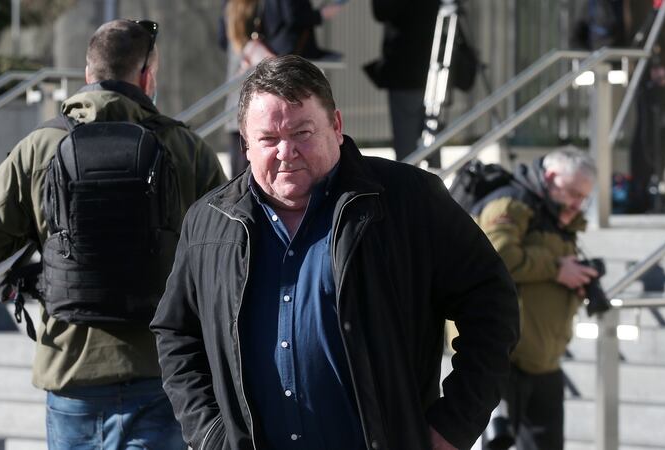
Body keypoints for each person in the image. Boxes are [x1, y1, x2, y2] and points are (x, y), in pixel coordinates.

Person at [150, 55, 519, 450]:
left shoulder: (406, 201)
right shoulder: (209, 223)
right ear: (245, 144)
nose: (285, 151)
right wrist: (210, 434)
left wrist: (453, 425)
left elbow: (491, 302)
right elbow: (177, 334)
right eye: (268, 139)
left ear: (337, 127)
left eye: (302, 133)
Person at [0, 19, 227, 450]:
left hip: (72, 375)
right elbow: (226, 258)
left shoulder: (42, 148)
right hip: (163, 373)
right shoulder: (186, 148)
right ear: (147, 76)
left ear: (87, 75)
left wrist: (38, 233)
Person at [472, 148, 599, 450]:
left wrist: (575, 282)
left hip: (544, 359)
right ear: (551, 177)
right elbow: (496, 257)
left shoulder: (557, 215)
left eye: (584, 198)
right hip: (504, 359)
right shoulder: (511, 203)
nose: (578, 204)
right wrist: (556, 268)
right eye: (573, 193)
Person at [219, 0, 344, 177]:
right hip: (274, 73)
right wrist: (321, 14)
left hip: (240, 74)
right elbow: (293, 16)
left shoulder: (231, 7)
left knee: (244, 167)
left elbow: (222, 39)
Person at [625, 0, 665, 213]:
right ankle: (642, 190)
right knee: (648, 130)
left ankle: (654, 183)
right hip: (649, 69)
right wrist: (655, 64)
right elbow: (641, 28)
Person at [365, 0, 441, 166]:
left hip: (407, 70)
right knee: (431, 131)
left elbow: (382, 11)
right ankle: (434, 185)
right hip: (434, 66)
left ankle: (412, 187)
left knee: (407, 142)